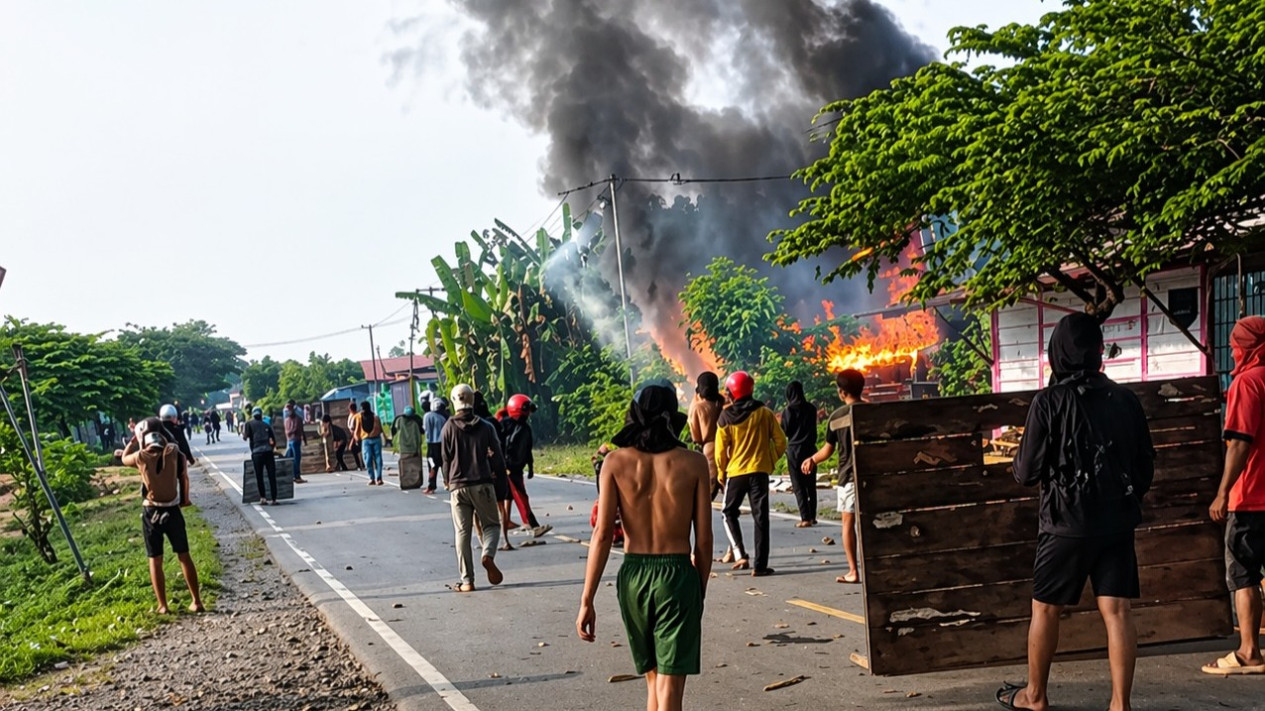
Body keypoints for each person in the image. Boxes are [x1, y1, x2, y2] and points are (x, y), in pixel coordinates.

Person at [998, 313, 1154, 711]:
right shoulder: (1125, 400)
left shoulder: (1048, 403)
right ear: (1098, 350)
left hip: (1064, 523)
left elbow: (1027, 472)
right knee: (1117, 610)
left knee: (1045, 609)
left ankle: (1035, 696)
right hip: (1117, 521)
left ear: (1058, 353)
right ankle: (1121, 703)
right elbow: (1145, 467)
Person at [577, 383, 712, 711]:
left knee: (653, 679)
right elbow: (704, 539)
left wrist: (587, 600)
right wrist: (699, 590)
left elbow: (602, 534)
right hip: (677, 575)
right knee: (670, 687)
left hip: (634, 575)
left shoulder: (614, 462)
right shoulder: (694, 463)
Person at [1206, 315, 1265, 676]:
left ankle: (1248, 652)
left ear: (1249, 345)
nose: (1232, 349)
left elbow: (1240, 443)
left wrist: (1222, 492)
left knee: (1243, 574)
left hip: (1252, 497)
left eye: (1236, 343)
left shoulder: (1247, 383)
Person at [118, 417, 204, 614]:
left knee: (155, 559)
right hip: (173, 510)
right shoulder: (173, 453)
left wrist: (133, 440)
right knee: (184, 555)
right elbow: (179, 456)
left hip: (151, 512)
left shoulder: (140, 457)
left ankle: (163, 606)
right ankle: (196, 601)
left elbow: (124, 458)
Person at [715, 370, 786, 577]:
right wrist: (770, 460)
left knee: (728, 512)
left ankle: (740, 554)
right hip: (760, 472)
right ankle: (760, 566)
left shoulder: (725, 417)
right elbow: (781, 441)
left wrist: (721, 472)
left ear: (731, 392)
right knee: (761, 517)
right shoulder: (764, 413)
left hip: (736, 473)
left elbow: (720, 451)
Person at [802, 369, 866, 584]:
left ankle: (853, 571)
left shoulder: (837, 418)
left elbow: (828, 450)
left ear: (841, 392)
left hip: (849, 477)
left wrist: (812, 459)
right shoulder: (873, 412)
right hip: (873, 475)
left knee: (848, 523)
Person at [441, 384, 505, 592]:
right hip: (483, 484)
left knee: (462, 533)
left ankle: (467, 581)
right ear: (473, 401)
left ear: (454, 400)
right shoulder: (487, 427)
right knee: (492, 526)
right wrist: (500, 482)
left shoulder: (448, 427)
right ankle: (488, 554)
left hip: (457, 487)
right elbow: (497, 457)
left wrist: (447, 480)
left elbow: (445, 459)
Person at [500, 394, 551, 537]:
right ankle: (533, 526)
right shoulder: (505, 426)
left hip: (517, 468)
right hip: (509, 468)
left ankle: (506, 522)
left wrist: (531, 467)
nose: (528, 413)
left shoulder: (525, 429)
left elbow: (527, 450)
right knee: (521, 497)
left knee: (509, 497)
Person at [473, 392, 517, 549]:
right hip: (497, 468)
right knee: (502, 506)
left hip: (478, 470)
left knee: (476, 509)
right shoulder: (491, 423)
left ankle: (482, 540)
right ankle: (506, 540)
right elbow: (502, 444)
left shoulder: (471, 424)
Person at [781, 380, 819, 528]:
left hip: (794, 451)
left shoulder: (788, 411)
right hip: (810, 450)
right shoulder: (811, 408)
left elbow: (785, 431)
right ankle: (813, 516)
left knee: (798, 486)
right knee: (811, 485)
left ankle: (805, 518)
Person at [241, 407, 279, 505]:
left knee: (259, 476)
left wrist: (242, 431)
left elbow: (245, 437)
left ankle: (263, 498)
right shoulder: (266, 425)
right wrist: (270, 447)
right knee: (271, 475)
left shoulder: (249, 424)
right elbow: (273, 441)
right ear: (261, 415)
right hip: (268, 452)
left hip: (257, 453)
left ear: (253, 415)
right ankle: (274, 499)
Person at [393, 406, 426, 489]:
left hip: (403, 447)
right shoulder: (417, 420)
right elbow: (422, 431)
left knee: (404, 466)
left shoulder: (399, 420)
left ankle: (405, 483)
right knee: (416, 465)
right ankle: (416, 482)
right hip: (415, 447)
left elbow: (395, 428)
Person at [423, 398, 449, 494]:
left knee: (432, 465)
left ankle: (431, 486)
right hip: (442, 444)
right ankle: (448, 482)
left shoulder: (427, 416)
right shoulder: (444, 417)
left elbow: (426, 430)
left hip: (431, 445)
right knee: (444, 463)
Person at [359, 401, 385, 486]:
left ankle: (379, 478)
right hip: (365, 440)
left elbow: (380, 429)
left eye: (363, 408)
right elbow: (356, 428)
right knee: (367, 459)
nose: (362, 410)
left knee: (378, 459)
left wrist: (385, 437)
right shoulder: (359, 418)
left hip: (376, 439)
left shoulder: (376, 418)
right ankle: (371, 478)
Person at [283, 401, 308, 484]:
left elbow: (299, 430)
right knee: (296, 459)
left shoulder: (290, 419)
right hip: (294, 440)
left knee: (293, 459)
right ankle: (296, 476)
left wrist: (304, 439)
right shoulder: (294, 419)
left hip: (292, 440)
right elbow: (296, 429)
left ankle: (295, 475)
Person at [345, 402, 364, 470]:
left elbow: (354, 429)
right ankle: (361, 464)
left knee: (356, 449)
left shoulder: (356, 417)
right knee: (358, 450)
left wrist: (352, 441)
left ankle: (360, 465)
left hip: (357, 436)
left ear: (350, 409)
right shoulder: (351, 415)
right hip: (354, 435)